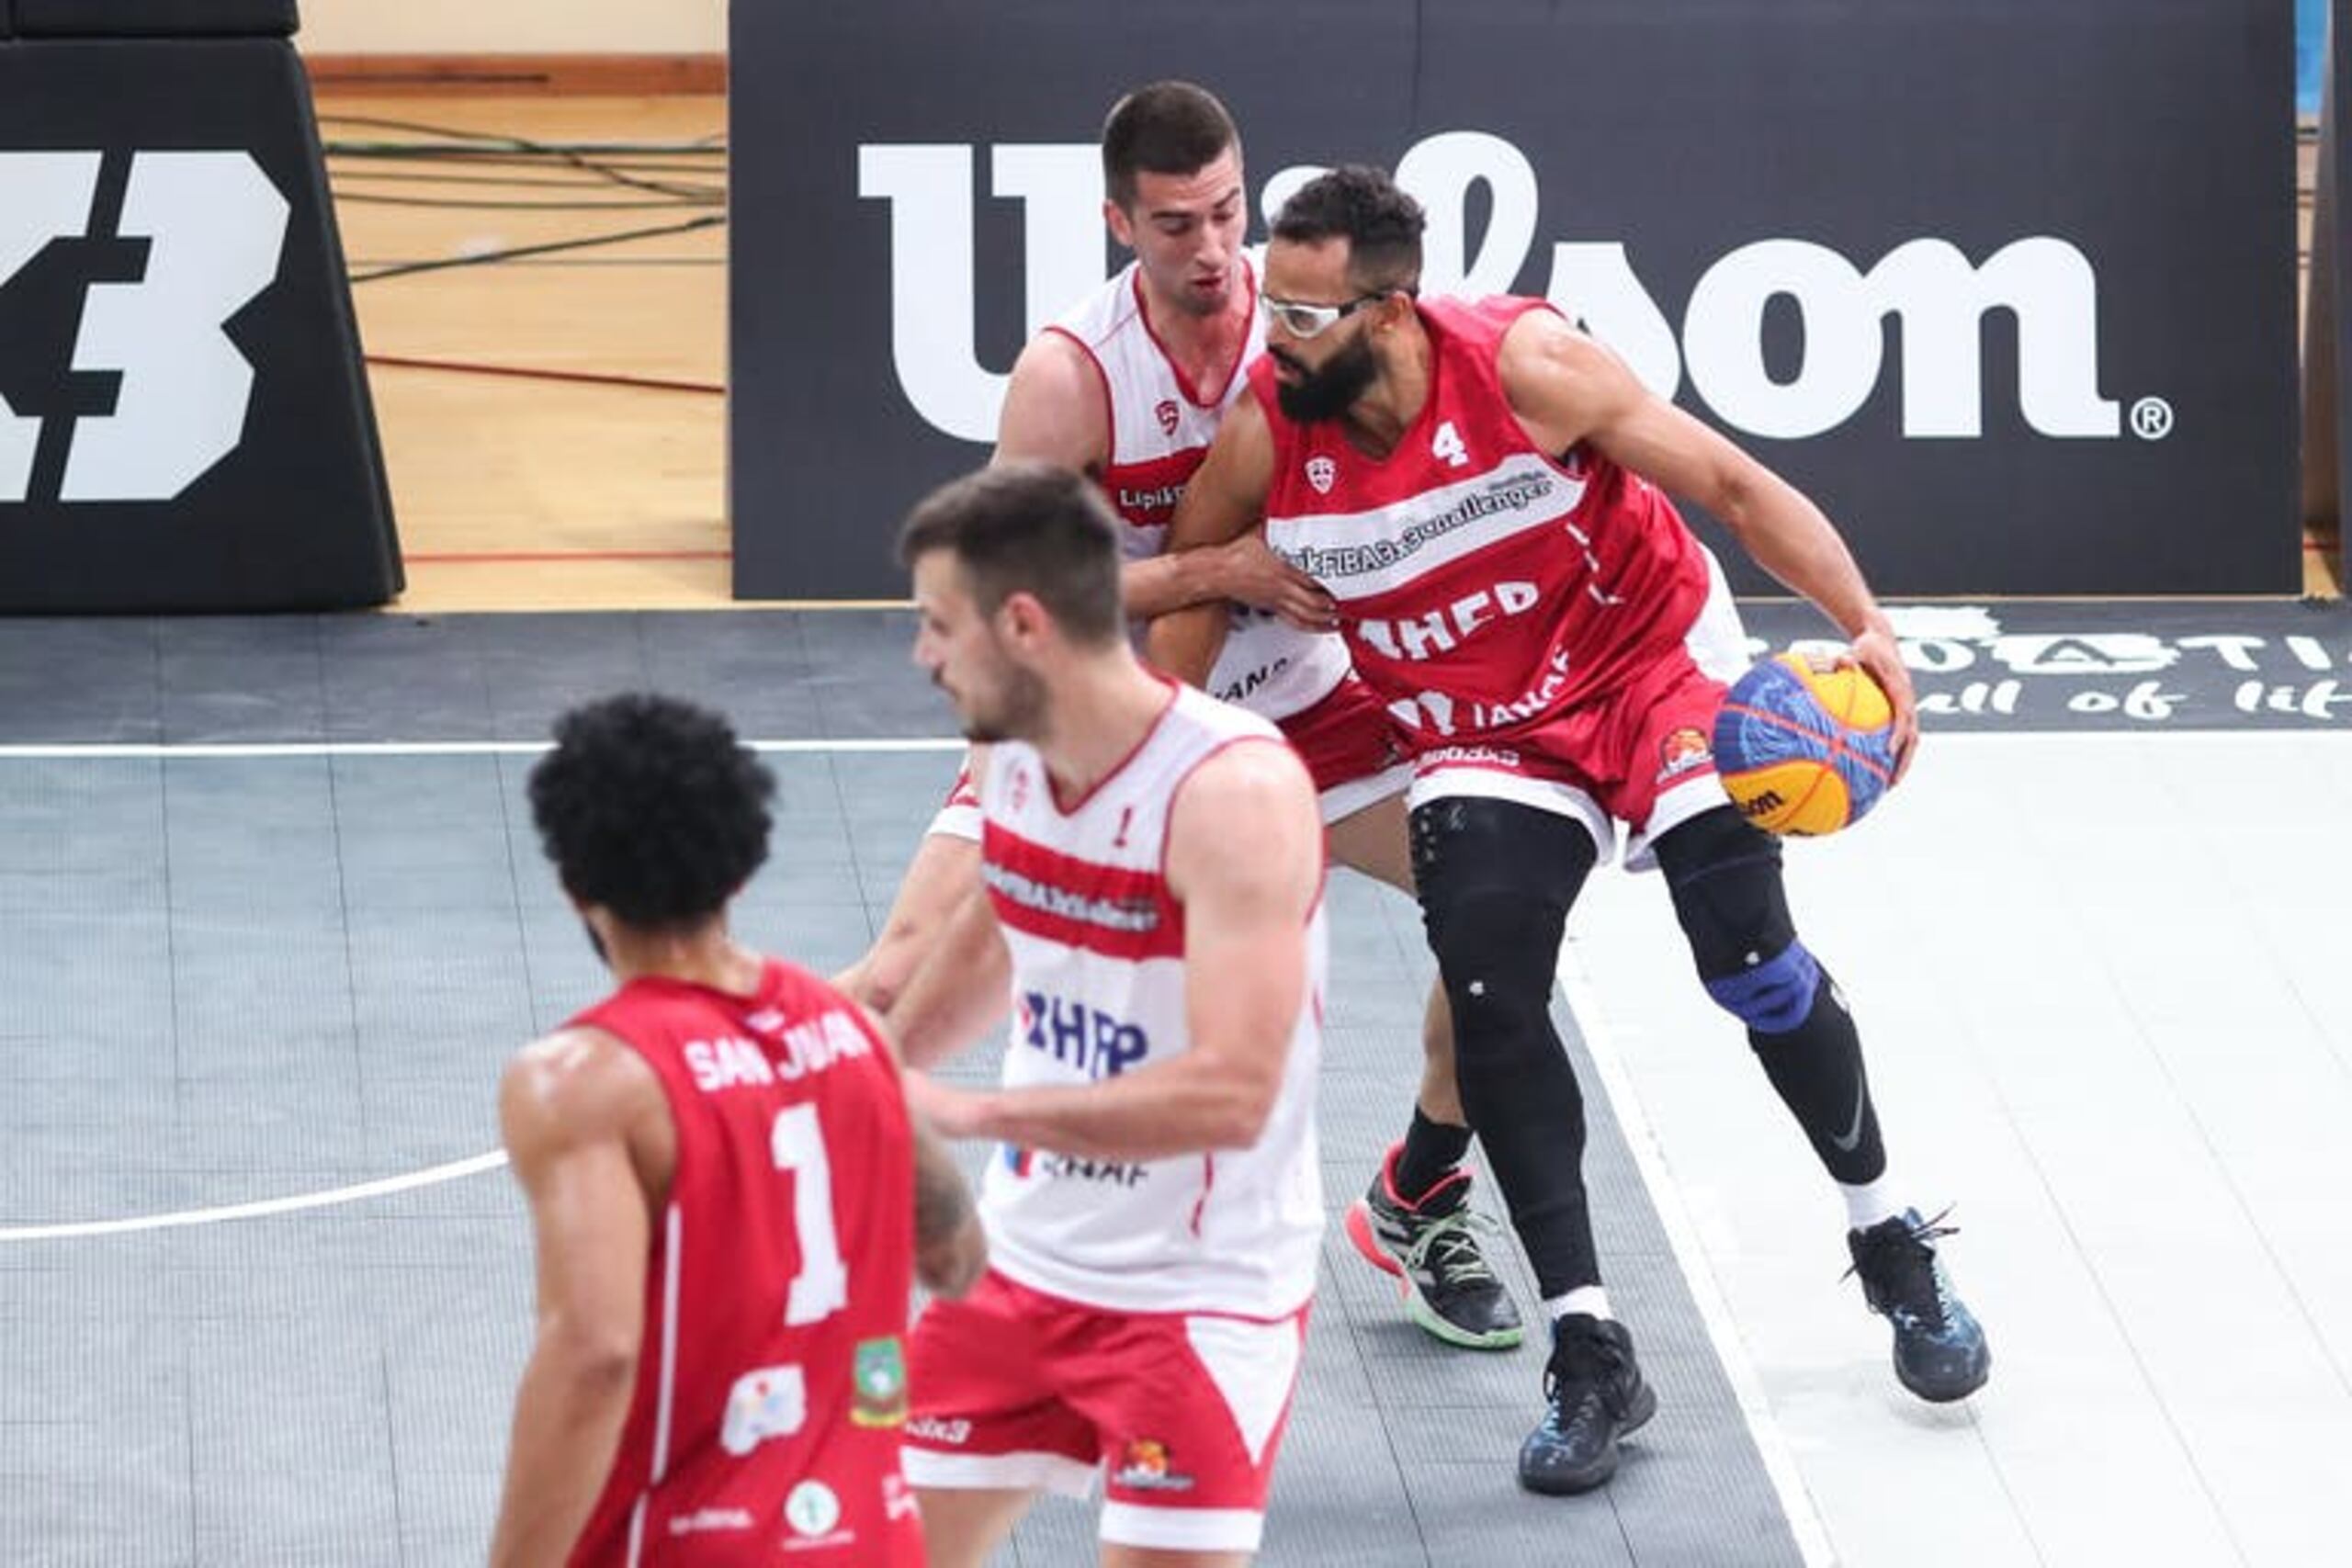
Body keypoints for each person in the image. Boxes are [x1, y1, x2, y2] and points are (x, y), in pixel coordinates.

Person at [1148, 165, 1992, 1496]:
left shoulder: (1530, 365)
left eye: (1304, 317)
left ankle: (1888, 1236)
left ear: (1391, 312)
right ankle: (1588, 1344)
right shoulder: (1267, 432)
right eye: (1277, 309)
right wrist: (1147, 756)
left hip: (1646, 663)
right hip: (1475, 725)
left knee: (1750, 958)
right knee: (1489, 992)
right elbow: (1189, 592)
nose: (1274, 340)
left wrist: (1866, 630)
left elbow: (1732, 481)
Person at [841, 81, 1525, 1351]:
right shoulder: (1073, 373)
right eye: (1173, 225)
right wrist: (1217, 567)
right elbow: (1011, 592)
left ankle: (1422, 1192)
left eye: (1226, 213)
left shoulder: (1312, 316)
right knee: (898, 980)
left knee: (1503, 925)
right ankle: (734, 1125)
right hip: (1114, 727)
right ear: (1118, 223)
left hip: (1314, 711)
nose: (1211, 251)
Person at [886, 461, 1327, 1566]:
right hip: (1016, 1267)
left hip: (1198, 1298)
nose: (922, 657)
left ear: (1022, 625)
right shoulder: (1009, 756)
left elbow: (1232, 1095)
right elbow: (1000, 921)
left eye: (939, 627)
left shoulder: (1231, 794)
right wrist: (872, 1073)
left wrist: (969, 1116)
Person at [488, 693, 988, 1566]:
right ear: (742, 871)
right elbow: (954, 1258)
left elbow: (597, 1352)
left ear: (574, 885)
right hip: (869, 1535)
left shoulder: (583, 1082)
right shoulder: (856, 1037)